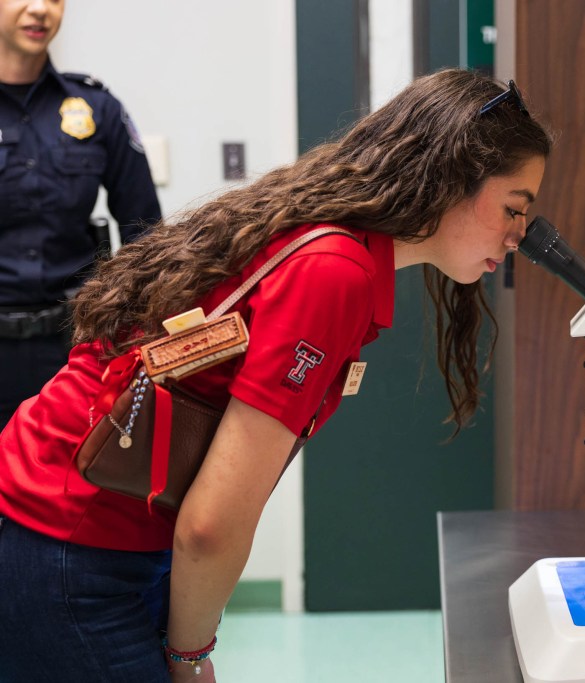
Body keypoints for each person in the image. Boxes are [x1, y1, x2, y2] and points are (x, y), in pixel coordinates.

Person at [0, 68, 551, 681]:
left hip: (79, 524)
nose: (519, 236)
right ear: (451, 177)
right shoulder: (332, 271)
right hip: (67, 543)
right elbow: (212, 525)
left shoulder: (328, 240)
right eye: (513, 208)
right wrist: (190, 655)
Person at [0, 0, 162, 428]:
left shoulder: (96, 107)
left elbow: (145, 234)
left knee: (70, 486)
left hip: (72, 351)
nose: (40, 10)